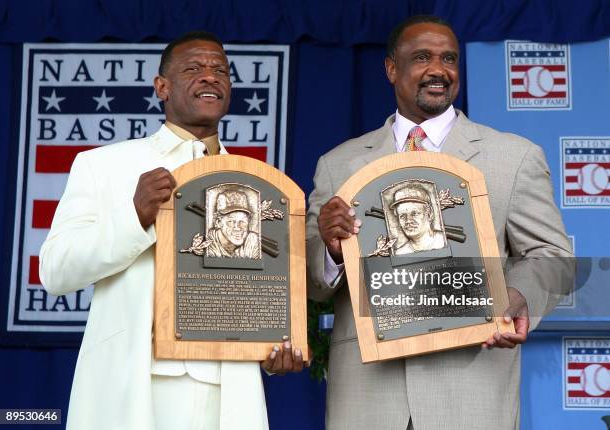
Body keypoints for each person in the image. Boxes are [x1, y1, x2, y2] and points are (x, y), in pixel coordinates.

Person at [306, 15, 574, 430]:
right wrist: (330, 249)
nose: (438, 70)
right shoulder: (338, 164)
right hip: (367, 395)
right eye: (422, 58)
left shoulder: (514, 156)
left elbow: (552, 256)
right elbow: (313, 284)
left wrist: (517, 296)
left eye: (449, 58)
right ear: (392, 69)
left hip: (471, 391)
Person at [40, 31, 302, 430]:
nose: (210, 77)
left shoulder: (262, 187)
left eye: (220, 70)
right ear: (161, 86)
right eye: (194, 69)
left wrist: (275, 347)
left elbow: (264, 296)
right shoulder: (103, 165)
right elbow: (56, 272)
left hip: (228, 390)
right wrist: (135, 216)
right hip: (136, 382)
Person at [390, 184, 445, 254]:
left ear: (430, 213)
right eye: (402, 216)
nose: (408, 221)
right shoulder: (400, 253)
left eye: (414, 213)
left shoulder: (443, 241)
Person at [206, 190, 261, 259]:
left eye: (242, 221)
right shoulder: (207, 244)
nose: (237, 227)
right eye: (230, 221)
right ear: (218, 222)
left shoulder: (252, 241)